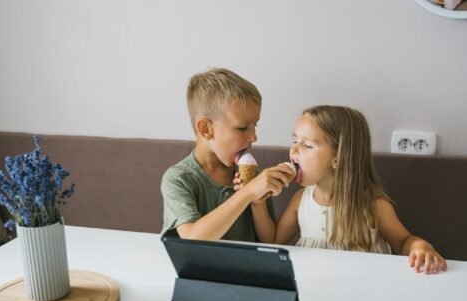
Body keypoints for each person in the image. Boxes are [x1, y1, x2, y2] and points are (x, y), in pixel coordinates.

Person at [237, 105, 447, 274]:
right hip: (315, 287)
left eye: (307, 145)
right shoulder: (301, 199)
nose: (293, 150)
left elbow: (403, 242)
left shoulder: (373, 205)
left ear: (338, 159)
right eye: (294, 141)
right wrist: (257, 202)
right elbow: (273, 241)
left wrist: (420, 247)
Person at [160, 68, 292, 242]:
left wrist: (257, 202)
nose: (254, 137)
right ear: (206, 129)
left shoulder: (255, 178)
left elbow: (270, 242)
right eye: (242, 128)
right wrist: (248, 193)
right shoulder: (178, 179)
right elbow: (192, 237)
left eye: (255, 126)